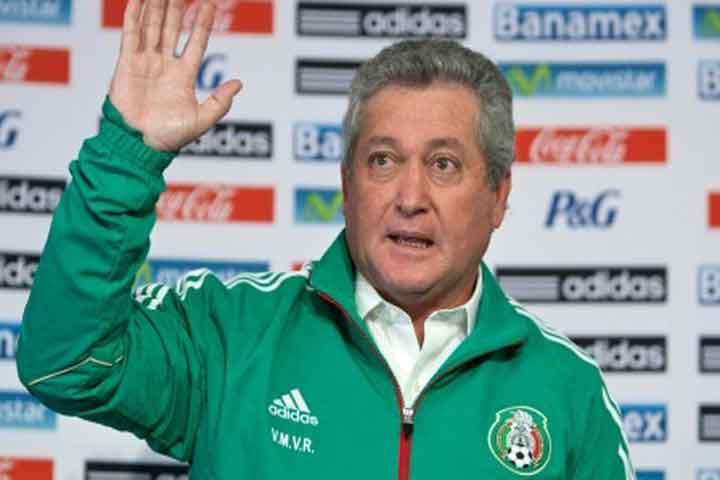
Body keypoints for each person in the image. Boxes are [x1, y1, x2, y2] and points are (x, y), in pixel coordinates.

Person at [16, 0, 633, 478]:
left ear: (498, 195)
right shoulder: (232, 335)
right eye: (382, 160)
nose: (410, 196)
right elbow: (67, 364)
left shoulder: (565, 389)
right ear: (346, 184)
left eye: (443, 164)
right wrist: (128, 155)